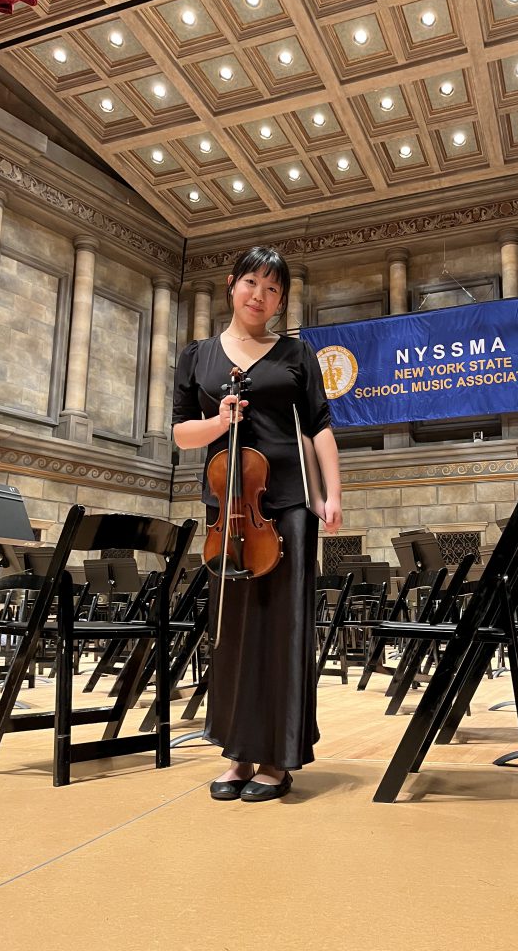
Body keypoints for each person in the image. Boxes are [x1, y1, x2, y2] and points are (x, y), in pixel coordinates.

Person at [172, 246, 342, 803]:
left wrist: (330, 494)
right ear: (231, 284)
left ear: (282, 300)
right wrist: (218, 419)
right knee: (233, 628)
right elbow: (181, 435)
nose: (259, 296)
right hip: (229, 506)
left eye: (272, 289)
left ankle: (277, 757)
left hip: (288, 503)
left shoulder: (295, 353)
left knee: (283, 626)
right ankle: (238, 751)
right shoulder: (197, 356)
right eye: (251, 283)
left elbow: (318, 426)